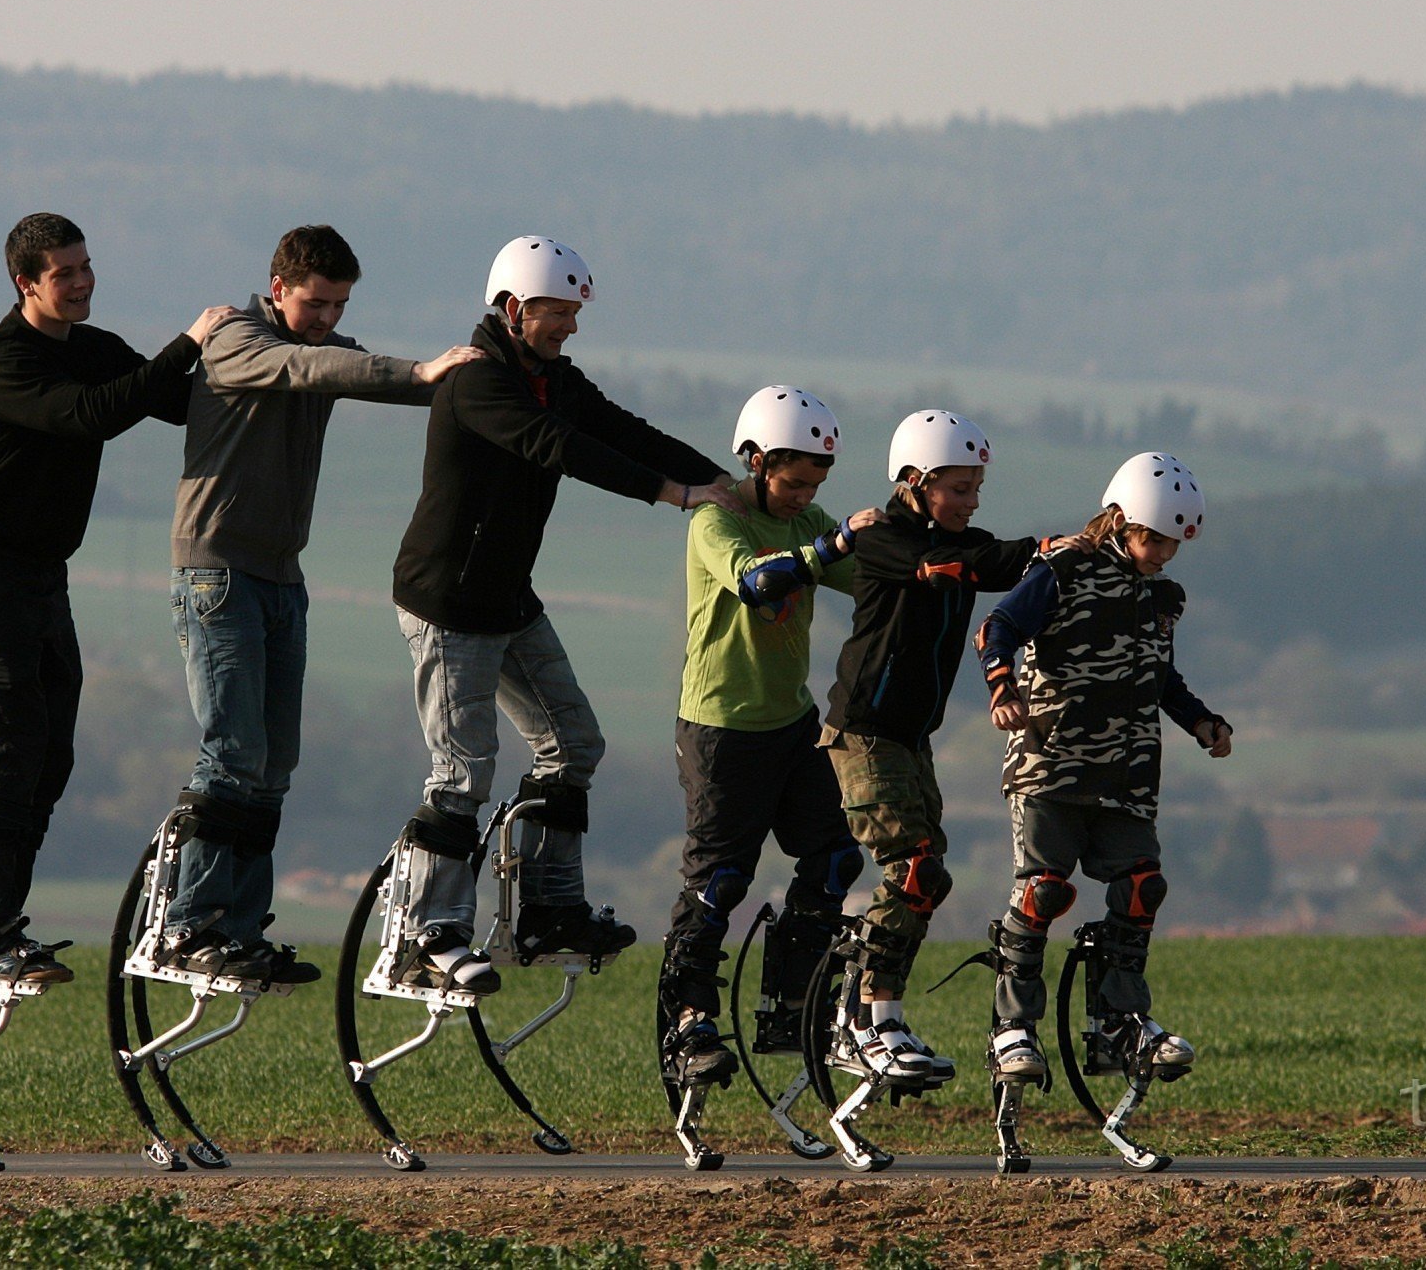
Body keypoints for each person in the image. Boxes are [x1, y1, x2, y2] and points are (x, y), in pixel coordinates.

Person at [387, 235, 739, 992]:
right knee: (463, 770)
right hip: (450, 606)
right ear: (514, 310)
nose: (570, 328)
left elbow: (625, 432)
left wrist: (717, 479)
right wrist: (672, 496)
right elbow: (560, 448)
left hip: (510, 600)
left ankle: (546, 911)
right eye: (557, 313)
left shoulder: (554, 379)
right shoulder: (479, 384)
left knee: (574, 743)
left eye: (575, 314)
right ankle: (428, 935)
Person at [154, 225, 478, 986]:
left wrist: (455, 380)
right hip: (216, 573)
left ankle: (240, 927)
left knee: (273, 764)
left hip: (279, 579)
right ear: (277, 289)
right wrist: (421, 369)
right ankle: (188, 923)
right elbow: (309, 366)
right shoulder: (237, 338)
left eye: (337, 305)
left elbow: (348, 368)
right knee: (230, 751)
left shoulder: (320, 347)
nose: (325, 318)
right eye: (313, 302)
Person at [0, 212, 227, 984]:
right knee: (8, 747)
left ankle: (0, 922)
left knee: (49, 755)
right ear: (27, 283)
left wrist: (276, 357)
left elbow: (173, 399)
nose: (84, 280)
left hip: (40, 575)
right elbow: (95, 413)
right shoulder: (6, 363)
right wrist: (189, 337)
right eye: (66, 273)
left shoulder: (90, 348)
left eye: (87, 265)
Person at [973, 451, 1233, 1088]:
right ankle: (1012, 1027)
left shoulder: (1158, 595)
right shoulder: (1064, 569)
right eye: (1153, 539)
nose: (1162, 554)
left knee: (1143, 887)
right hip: (1053, 765)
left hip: (1128, 773)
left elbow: (1156, 674)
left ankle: (1118, 1020)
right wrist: (1002, 687)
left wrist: (1200, 720)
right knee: (1044, 892)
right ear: (1120, 520)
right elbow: (998, 626)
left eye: (1173, 543)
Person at [820, 409, 1061, 1085]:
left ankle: (858, 1014)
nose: (970, 501)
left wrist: (1053, 552)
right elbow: (954, 565)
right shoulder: (885, 540)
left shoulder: (964, 540)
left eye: (976, 488)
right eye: (958, 488)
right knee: (914, 868)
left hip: (908, 738)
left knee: (930, 879)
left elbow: (988, 556)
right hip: (863, 732)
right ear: (916, 481)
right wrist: (1040, 549)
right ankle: (871, 1022)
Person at [656, 386, 874, 1090]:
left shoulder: (808, 519)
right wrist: (831, 546)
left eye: (815, 484)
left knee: (835, 862)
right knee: (719, 883)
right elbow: (757, 582)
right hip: (721, 730)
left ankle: (789, 998)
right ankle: (689, 1021)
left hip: (791, 725)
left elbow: (868, 580)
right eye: (792, 481)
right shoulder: (719, 521)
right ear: (754, 461)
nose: (803, 496)